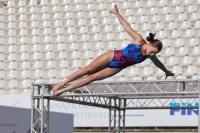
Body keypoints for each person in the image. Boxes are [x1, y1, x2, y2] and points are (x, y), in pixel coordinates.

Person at [52, 5, 175, 96]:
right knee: (87, 70)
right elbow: (127, 27)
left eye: (154, 53)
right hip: (112, 57)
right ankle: (62, 84)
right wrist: (117, 13)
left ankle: (64, 90)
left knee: (91, 78)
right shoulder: (139, 40)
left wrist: (166, 71)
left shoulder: (150, 56)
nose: (152, 54)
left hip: (116, 68)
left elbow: (158, 63)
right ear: (149, 44)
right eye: (152, 51)